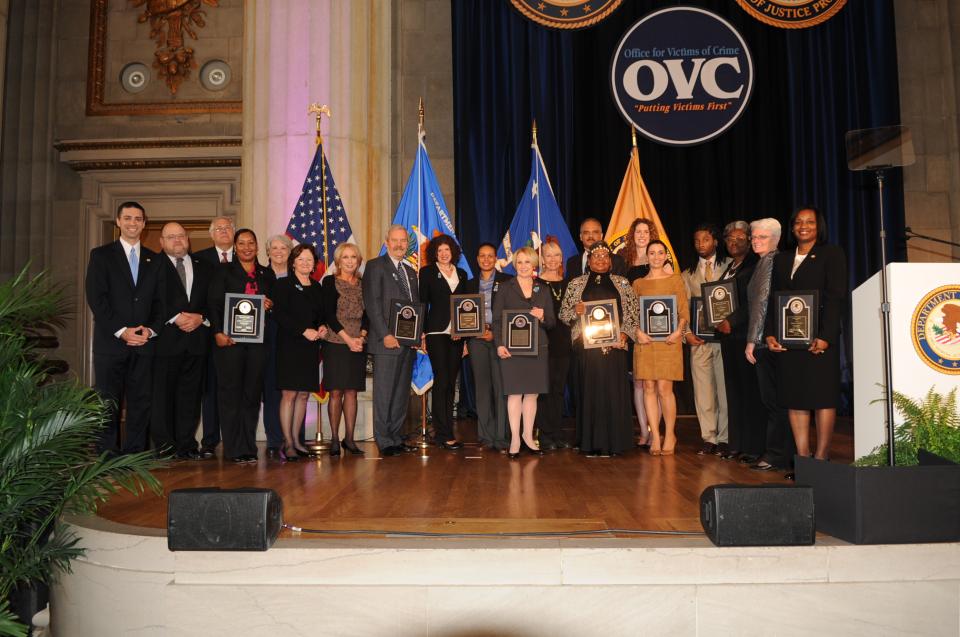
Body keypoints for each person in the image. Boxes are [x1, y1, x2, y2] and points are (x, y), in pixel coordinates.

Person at [765, 206, 847, 464]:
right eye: (799, 222)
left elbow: (836, 297)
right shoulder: (781, 259)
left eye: (810, 222)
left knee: (822, 397)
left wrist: (826, 336)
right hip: (789, 341)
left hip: (819, 340)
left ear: (818, 226)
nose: (804, 226)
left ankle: (821, 457)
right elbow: (774, 300)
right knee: (795, 397)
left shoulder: (831, 254)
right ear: (792, 227)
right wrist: (770, 334)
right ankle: (803, 458)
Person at [85, 201, 164, 455]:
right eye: (128, 218)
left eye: (138, 219)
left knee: (141, 401)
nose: (133, 223)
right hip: (111, 343)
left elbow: (161, 303)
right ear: (118, 221)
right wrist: (122, 330)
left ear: (144, 223)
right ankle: (107, 454)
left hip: (144, 344)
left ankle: (135, 453)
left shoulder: (156, 260)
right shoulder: (101, 255)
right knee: (108, 402)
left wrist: (149, 331)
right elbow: (97, 299)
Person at [559, 241, 640, 456]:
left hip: (614, 348)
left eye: (605, 257)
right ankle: (590, 443)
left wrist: (624, 334)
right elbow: (563, 315)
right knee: (589, 394)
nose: (601, 260)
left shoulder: (622, 283)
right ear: (589, 261)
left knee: (613, 394)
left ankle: (615, 443)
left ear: (611, 261)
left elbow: (633, 313)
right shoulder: (576, 284)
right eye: (597, 257)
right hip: (586, 350)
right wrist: (575, 311)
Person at [207, 228, 276, 464]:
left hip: (257, 345)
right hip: (230, 343)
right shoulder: (223, 271)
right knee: (230, 395)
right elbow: (213, 304)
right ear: (235, 247)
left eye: (251, 243)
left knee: (251, 396)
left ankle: (248, 447)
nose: (247, 247)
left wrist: (269, 304)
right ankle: (233, 448)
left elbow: (275, 307)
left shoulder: (267, 274)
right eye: (242, 243)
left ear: (257, 247)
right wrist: (217, 332)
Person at [151, 222, 214, 460]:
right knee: (163, 397)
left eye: (181, 236)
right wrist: (175, 317)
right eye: (171, 237)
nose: (177, 241)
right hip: (165, 342)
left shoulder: (204, 266)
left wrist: (202, 317)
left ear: (188, 238)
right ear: (162, 241)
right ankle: (166, 447)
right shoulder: (152, 266)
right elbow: (150, 301)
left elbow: (213, 300)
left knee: (190, 397)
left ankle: (186, 445)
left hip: (197, 342)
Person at [362, 225, 421, 457]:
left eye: (403, 241)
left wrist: (417, 334)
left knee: (400, 395)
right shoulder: (375, 266)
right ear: (386, 242)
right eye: (394, 240)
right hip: (385, 342)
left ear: (408, 244)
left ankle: (396, 437)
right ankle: (384, 440)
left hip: (407, 343)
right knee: (385, 393)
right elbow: (372, 304)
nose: (399, 245)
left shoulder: (410, 270)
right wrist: (385, 334)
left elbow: (413, 308)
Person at [744, 218, 796, 473]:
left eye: (761, 237)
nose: (755, 240)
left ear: (775, 238)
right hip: (771, 339)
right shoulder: (766, 261)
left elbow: (762, 303)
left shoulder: (770, 261)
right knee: (776, 401)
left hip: (767, 341)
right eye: (753, 237)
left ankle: (777, 455)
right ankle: (781, 454)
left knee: (774, 402)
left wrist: (752, 341)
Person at [493, 247, 555, 458]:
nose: (523, 266)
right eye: (519, 262)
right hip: (511, 350)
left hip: (537, 349)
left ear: (534, 265)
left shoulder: (543, 289)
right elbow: (498, 320)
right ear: (514, 265)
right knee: (514, 394)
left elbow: (552, 323)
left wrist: (543, 316)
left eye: (527, 262)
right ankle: (515, 439)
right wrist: (499, 344)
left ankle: (529, 437)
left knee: (531, 395)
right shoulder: (504, 288)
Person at [616, 218, 673, 447]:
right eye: (637, 231)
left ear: (652, 234)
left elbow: (672, 300)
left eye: (646, 231)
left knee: (658, 382)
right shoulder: (623, 261)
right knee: (639, 382)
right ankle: (644, 430)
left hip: (659, 332)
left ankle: (656, 430)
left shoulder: (663, 264)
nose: (641, 235)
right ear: (632, 235)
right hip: (634, 330)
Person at [272, 244, 327, 461]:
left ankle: (297, 440)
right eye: (301, 259)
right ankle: (287, 443)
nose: (305, 263)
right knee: (289, 394)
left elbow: (321, 315)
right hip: (290, 344)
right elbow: (280, 314)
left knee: (304, 395)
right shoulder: (283, 285)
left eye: (309, 260)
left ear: (315, 264)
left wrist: (322, 327)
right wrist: (303, 330)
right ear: (293, 261)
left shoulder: (316, 287)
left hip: (310, 347)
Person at [633, 240, 689, 455]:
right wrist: (638, 332)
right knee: (648, 387)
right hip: (645, 342)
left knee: (665, 389)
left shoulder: (675, 280)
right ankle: (655, 435)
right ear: (646, 257)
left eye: (660, 253)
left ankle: (671, 433)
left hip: (669, 341)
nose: (656, 257)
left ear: (666, 256)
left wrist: (678, 331)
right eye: (652, 253)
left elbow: (683, 311)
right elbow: (632, 315)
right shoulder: (638, 284)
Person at [714, 221, 762, 463]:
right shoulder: (730, 268)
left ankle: (753, 447)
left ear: (750, 240)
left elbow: (754, 302)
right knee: (734, 392)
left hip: (745, 338)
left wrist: (731, 321)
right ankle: (737, 444)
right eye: (730, 239)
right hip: (728, 339)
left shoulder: (755, 265)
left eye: (740, 238)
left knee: (749, 393)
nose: (734, 243)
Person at [681, 223, 730, 456]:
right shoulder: (687, 274)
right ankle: (709, 437)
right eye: (697, 241)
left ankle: (725, 437)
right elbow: (683, 309)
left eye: (706, 240)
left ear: (716, 242)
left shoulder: (730, 266)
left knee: (724, 389)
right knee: (703, 392)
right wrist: (687, 333)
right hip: (698, 341)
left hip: (724, 339)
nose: (701, 244)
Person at [420, 235, 469, 450]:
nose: (443, 253)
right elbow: (422, 303)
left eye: (447, 249)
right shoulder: (427, 273)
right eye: (439, 250)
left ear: (453, 252)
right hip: (436, 333)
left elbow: (468, 307)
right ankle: (442, 433)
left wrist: (464, 334)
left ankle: (447, 429)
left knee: (451, 383)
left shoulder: (462, 274)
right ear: (434, 253)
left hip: (457, 335)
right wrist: (420, 334)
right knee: (441, 381)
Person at [462, 243, 512, 451]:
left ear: (495, 258)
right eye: (482, 255)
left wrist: (496, 334)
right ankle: (486, 436)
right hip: (476, 340)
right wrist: (470, 335)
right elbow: (461, 315)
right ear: (477, 259)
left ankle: (502, 438)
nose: (486, 259)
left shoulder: (507, 282)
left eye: (490, 256)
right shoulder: (469, 284)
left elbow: (512, 313)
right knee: (482, 388)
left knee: (501, 389)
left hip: (500, 339)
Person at [193, 216, 236, 458]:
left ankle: (233, 439)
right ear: (212, 234)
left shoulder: (244, 258)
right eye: (218, 228)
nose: (223, 231)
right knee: (210, 390)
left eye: (227, 228)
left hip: (241, 336)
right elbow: (198, 296)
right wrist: (213, 325)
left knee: (233, 389)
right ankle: (209, 440)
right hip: (208, 334)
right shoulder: (199, 259)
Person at [321, 242, 369, 456]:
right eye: (345, 257)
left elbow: (369, 313)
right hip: (336, 342)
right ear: (338, 261)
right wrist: (348, 339)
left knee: (352, 392)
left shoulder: (364, 283)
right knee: (336, 392)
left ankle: (349, 439)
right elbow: (328, 315)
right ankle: (333, 439)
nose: (349, 261)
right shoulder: (329, 282)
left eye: (353, 257)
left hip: (358, 343)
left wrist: (361, 337)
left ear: (359, 261)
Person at [535, 238, 572, 450]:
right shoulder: (536, 284)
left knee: (559, 389)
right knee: (544, 390)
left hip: (563, 343)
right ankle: (544, 434)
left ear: (561, 259)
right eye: (548, 255)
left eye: (556, 255)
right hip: (542, 343)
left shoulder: (569, 284)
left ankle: (557, 433)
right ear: (542, 259)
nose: (552, 259)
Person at [262, 234, 293, 457]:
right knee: (272, 388)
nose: (279, 251)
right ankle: (274, 439)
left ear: (290, 252)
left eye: (284, 247)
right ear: (268, 252)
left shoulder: (299, 275)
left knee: (293, 387)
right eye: (274, 248)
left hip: (294, 338)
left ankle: (294, 438)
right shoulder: (260, 275)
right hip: (269, 336)